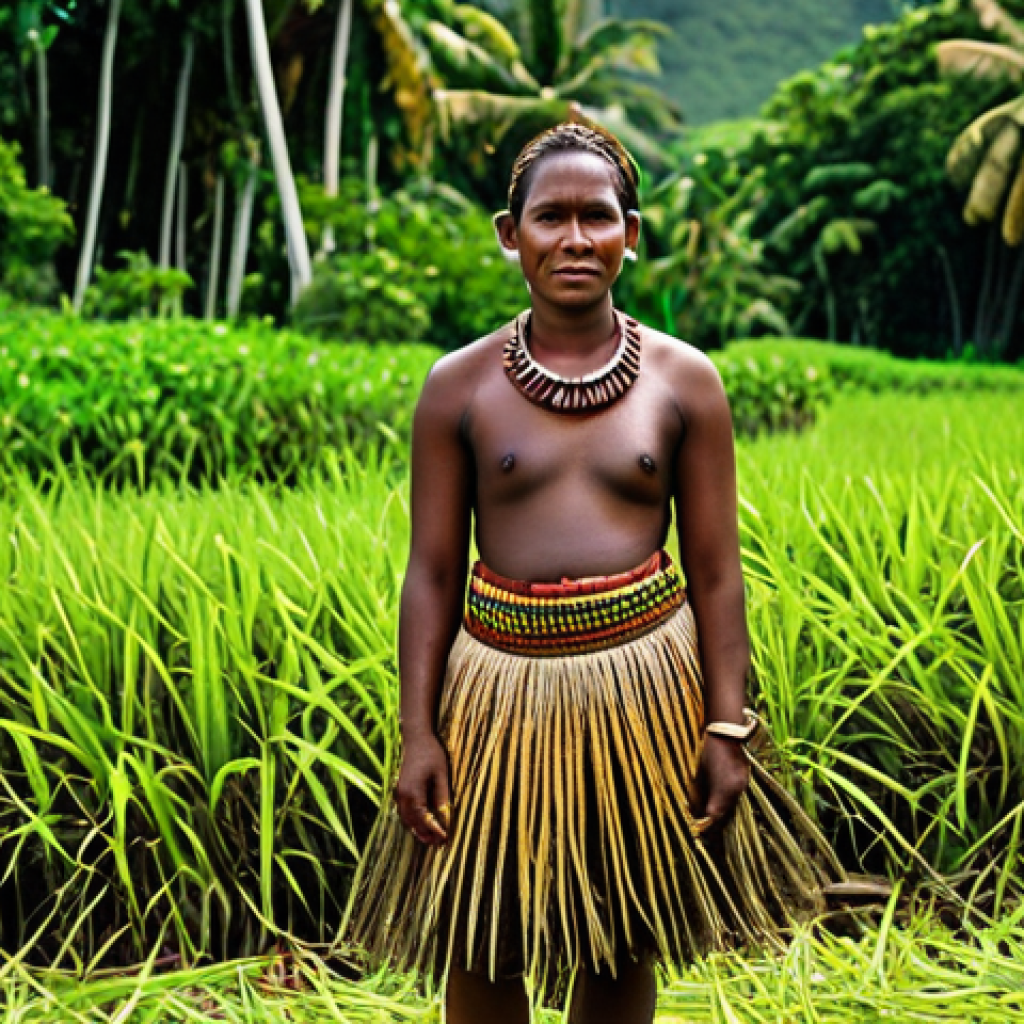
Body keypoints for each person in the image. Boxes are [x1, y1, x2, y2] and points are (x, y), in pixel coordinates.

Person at [342, 122, 842, 1023]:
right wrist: (419, 733)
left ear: (632, 233)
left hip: (644, 689)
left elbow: (718, 572)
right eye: (551, 218)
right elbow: (430, 573)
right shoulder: (456, 387)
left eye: (598, 217)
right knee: (482, 929)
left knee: (620, 930)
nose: (576, 238)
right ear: (511, 233)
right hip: (495, 696)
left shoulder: (684, 383)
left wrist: (727, 725)